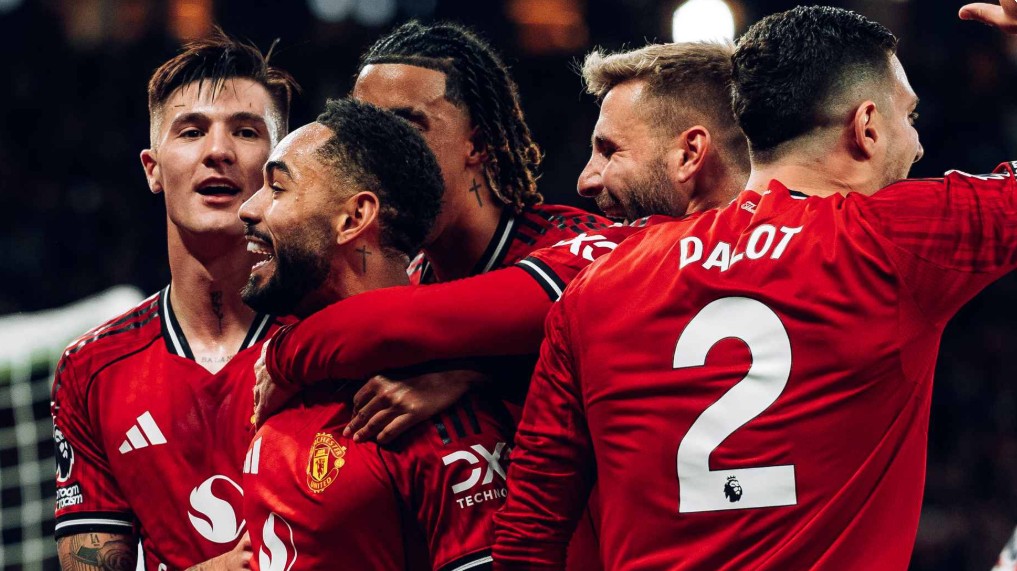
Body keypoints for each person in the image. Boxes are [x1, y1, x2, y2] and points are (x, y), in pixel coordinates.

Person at [493, 4, 1017, 570]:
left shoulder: (598, 285)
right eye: (908, 118)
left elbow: (528, 535)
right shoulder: (889, 240)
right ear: (866, 127)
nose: (916, 146)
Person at [254, 41, 749, 440]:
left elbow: (411, 327)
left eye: (404, 127)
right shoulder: (398, 273)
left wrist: (479, 376)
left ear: (479, 143)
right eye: (360, 131)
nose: (378, 152)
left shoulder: (589, 246)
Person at [51, 31, 298, 570]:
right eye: (191, 131)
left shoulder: (338, 331)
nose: (218, 151)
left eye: (246, 131)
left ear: (278, 170)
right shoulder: (90, 371)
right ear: (153, 169)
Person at [238, 97, 510, 571]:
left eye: (277, 188)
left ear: (353, 218)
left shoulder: (432, 409)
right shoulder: (278, 372)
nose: (248, 208)